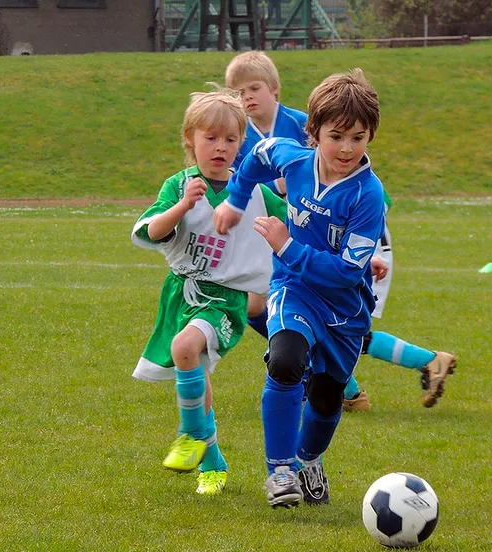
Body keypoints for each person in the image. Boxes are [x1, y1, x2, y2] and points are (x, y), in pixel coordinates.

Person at [214, 68, 386, 508]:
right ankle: (280, 472)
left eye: (358, 138)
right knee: (286, 361)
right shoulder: (291, 157)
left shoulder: (368, 195)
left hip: (345, 309)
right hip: (294, 289)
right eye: (336, 136)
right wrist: (235, 200)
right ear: (314, 132)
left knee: (327, 400)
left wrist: (287, 245)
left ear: (370, 136)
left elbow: (347, 272)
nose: (346, 149)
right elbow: (255, 159)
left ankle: (308, 460)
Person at [131, 88, 287, 496]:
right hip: (181, 294)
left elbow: (299, 223)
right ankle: (214, 463)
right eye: (211, 137)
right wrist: (183, 206)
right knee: (196, 373)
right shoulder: (178, 185)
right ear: (190, 139)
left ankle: (191, 436)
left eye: (231, 139)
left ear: (241, 144)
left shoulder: (253, 193)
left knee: (185, 347)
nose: (221, 147)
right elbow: (152, 231)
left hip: (225, 299)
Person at [343, 194, 457, 412]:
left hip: (360, 257)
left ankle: (349, 394)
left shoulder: (349, 180)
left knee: (335, 330)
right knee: (329, 329)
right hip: (359, 253)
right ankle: (348, 395)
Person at [224, 50, 309, 341]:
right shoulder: (236, 135)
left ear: (274, 89)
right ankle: (291, 353)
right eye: (239, 93)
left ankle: (309, 355)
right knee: (254, 306)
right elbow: (239, 184)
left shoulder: (302, 125)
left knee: (310, 302)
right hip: (260, 225)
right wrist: (277, 186)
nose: (247, 96)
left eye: (254, 88)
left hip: (304, 223)